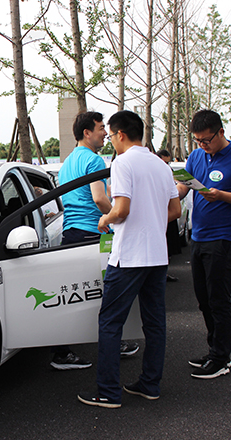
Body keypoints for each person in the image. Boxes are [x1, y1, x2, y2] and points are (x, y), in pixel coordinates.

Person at [77, 110, 180, 409]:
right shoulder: (161, 166)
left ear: (120, 134)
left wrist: (104, 219)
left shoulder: (122, 162)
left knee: (110, 322)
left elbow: (121, 209)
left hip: (129, 256)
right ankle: (150, 384)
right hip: (157, 256)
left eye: (110, 136)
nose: (109, 141)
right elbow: (173, 212)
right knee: (155, 323)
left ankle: (108, 392)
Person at [176, 109, 231, 380]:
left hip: (223, 240)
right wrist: (173, 189)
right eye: (198, 140)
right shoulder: (197, 155)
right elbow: (183, 185)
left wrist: (222, 195)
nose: (202, 145)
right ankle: (215, 349)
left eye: (206, 140)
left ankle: (221, 358)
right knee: (203, 300)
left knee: (219, 300)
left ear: (221, 132)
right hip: (197, 237)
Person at [51, 111, 138, 371]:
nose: (105, 133)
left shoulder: (67, 162)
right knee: (105, 292)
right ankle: (111, 342)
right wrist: (116, 216)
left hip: (72, 232)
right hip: (93, 233)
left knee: (74, 295)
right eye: (101, 128)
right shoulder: (94, 160)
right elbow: (100, 198)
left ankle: (63, 351)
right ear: (87, 132)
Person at [157, 149, 181, 281]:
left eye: (168, 162)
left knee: (168, 247)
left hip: (168, 215)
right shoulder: (154, 172)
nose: (166, 165)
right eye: (164, 162)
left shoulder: (168, 173)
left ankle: (164, 273)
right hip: (160, 215)